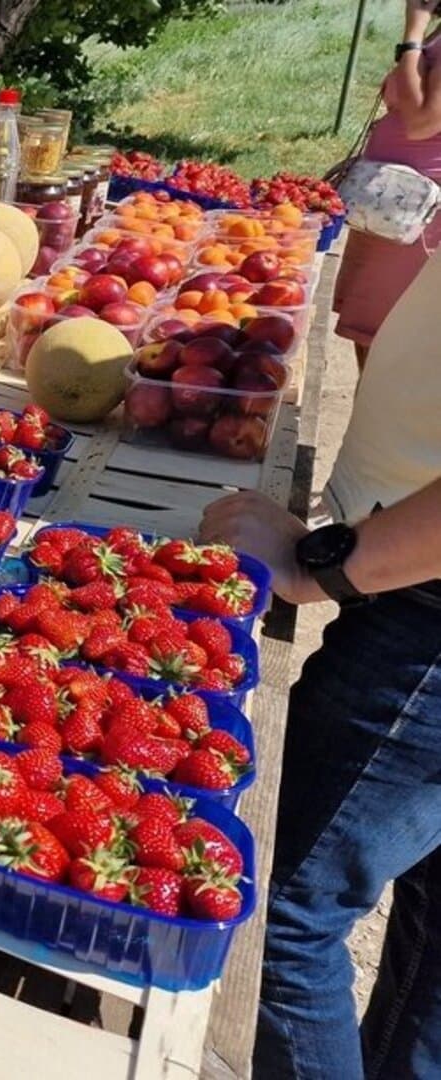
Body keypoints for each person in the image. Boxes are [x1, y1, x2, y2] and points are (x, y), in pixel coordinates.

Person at [201, 247, 441, 1080]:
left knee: (275, 910)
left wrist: (323, 564)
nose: (395, 107)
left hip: (427, 629)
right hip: (414, 581)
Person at [332, 0, 441, 370]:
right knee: (373, 339)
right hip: (388, 207)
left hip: (412, 217)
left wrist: (412, 32)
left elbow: (422, 123)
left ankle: (376, 425)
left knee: (390, 345)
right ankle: (368, 424)